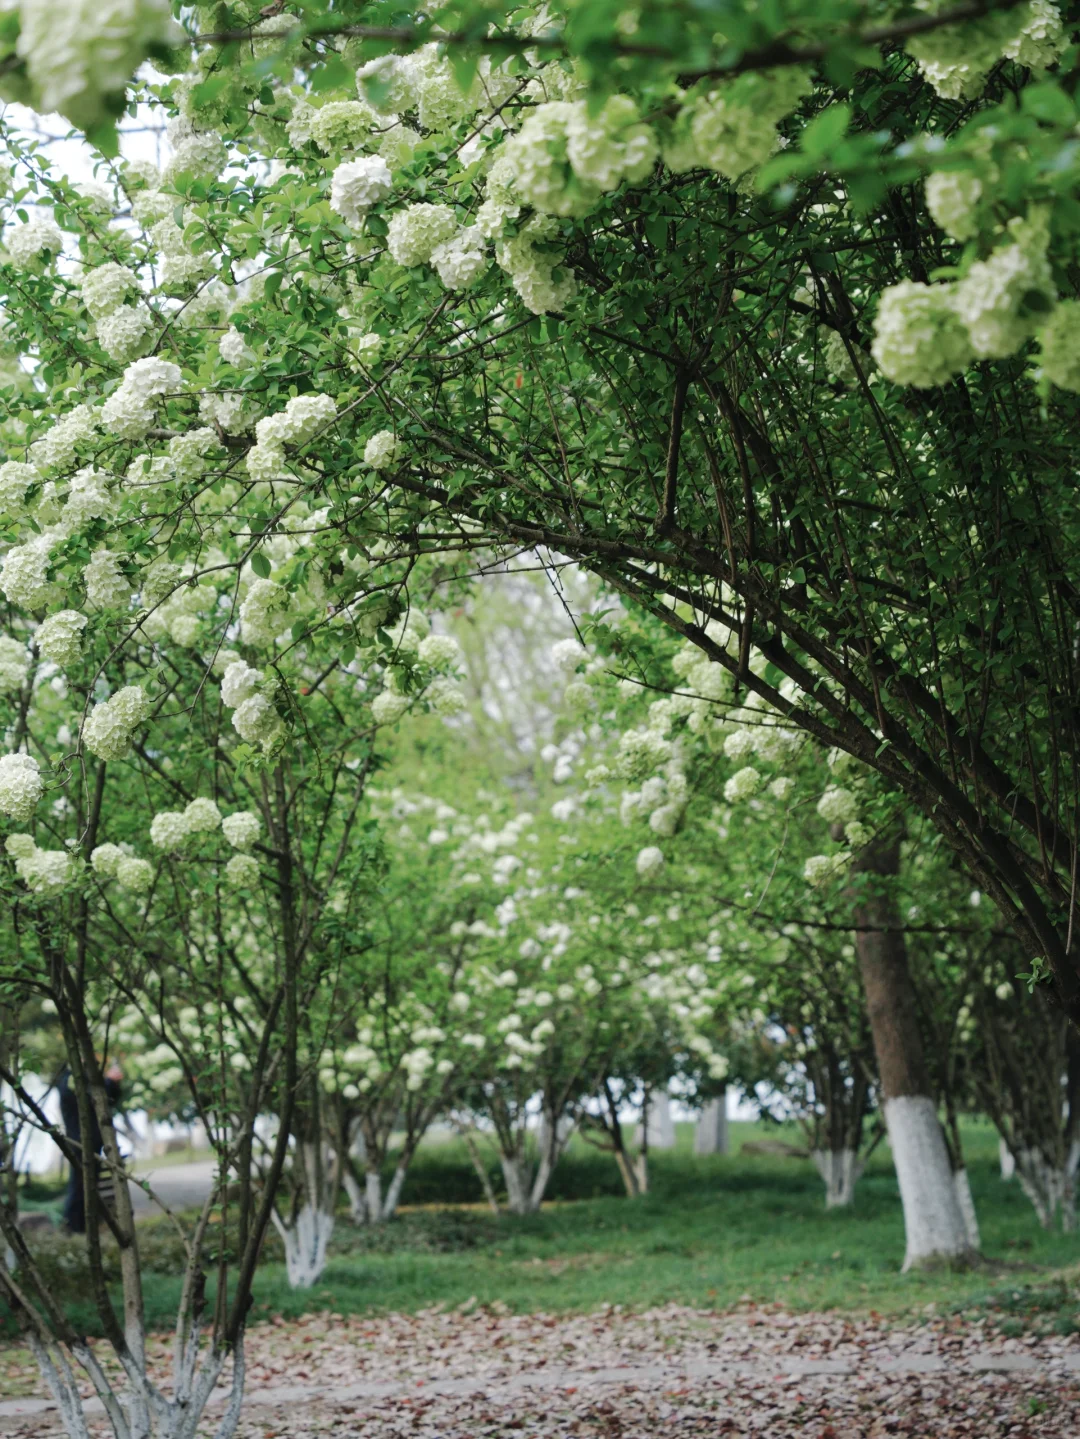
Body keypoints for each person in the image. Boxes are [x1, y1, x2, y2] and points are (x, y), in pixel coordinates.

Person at [58, 1061, 122, 1235]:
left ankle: (82, 1225)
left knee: (89, 1184)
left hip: (90, 1142)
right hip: (80, 1144)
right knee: (80, 1185)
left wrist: (112, 1083)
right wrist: (109, 1082)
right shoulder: (71, 1081)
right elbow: (92, 1099)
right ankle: (74, 1226)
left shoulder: (80, 1080)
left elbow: (108, 1099)